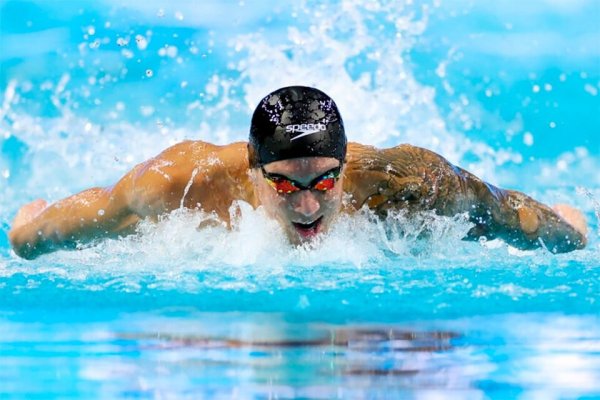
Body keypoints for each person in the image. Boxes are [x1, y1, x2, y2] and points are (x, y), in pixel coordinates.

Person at [8, 86, 587, 259]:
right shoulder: (180, 184)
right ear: (254, 172)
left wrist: (566, 230)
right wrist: (28, 230)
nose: (307, 206)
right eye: (285, 184)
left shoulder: (400, 183)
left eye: (323, 182)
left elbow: (500, 207)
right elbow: (78, 218)